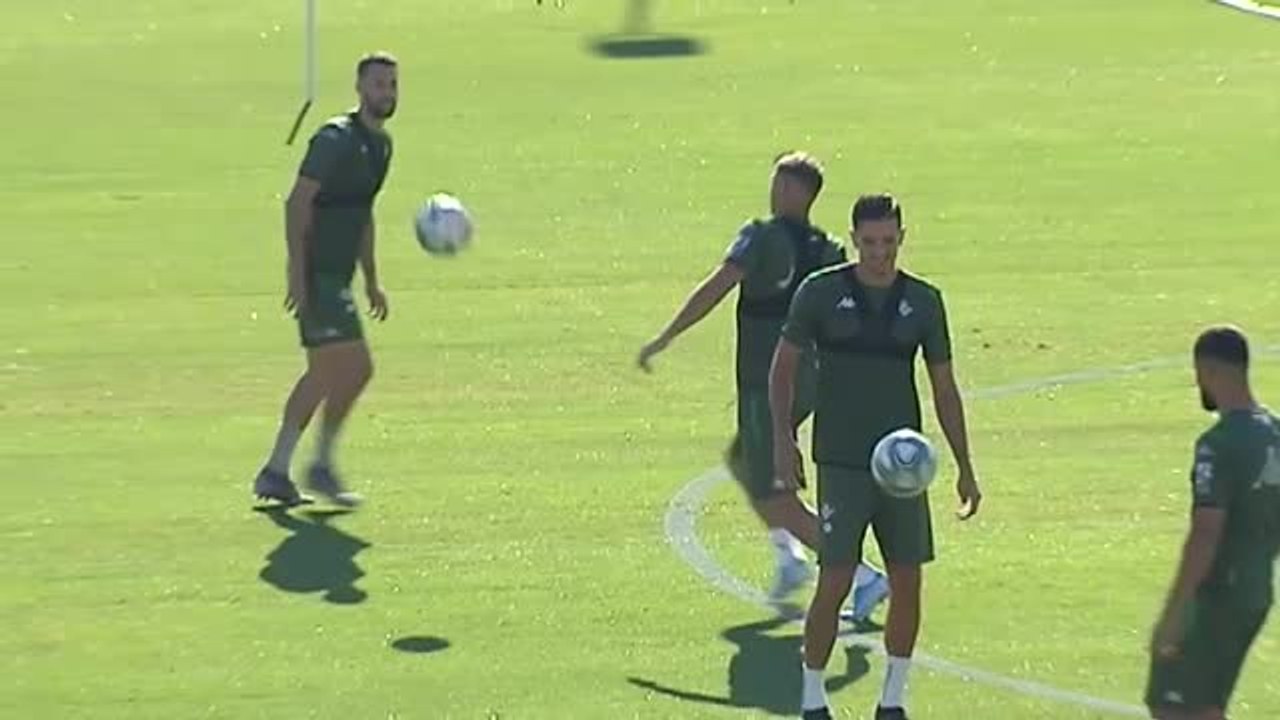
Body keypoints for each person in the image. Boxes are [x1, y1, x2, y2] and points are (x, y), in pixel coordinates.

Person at [637, 152, 889, 618]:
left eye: (780, 183)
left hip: (765, 382)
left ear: (797, 192)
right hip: (808, 378)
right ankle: (788, 555)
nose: (773, 191)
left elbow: (719, 285)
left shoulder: (760, 238)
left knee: (777, 494)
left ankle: (863, 575)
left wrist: (667, 336)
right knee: (741, 460)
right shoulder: (828, 249)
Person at [770, 193, 982, 720]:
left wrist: (964, 465)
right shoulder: (820, 294)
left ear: (902, 239)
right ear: (854, 239)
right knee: (836, 576)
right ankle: (813, 696)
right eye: (870, 242)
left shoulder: (925, 302)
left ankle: (892, 700)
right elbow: (783, 368)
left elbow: (945, 388)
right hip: (841, 462)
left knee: (908, 580)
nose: (879, 253)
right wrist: (783, 437)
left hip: (902, 470)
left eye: (888, 242)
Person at [253, 52, 399, 508]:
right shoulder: (335, 139)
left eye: (392, 85)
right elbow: (296, 204)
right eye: (378, 84)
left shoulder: (382, 146)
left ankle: (279, 470)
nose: (387, 93)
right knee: (352, 367)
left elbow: (364, 213)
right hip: (318, 275)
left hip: (340, 276)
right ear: (359, 88)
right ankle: (315, 465)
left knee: (328, 373)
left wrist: (372, 280)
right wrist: (296, 274)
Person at [1145, 326, 1280, 720]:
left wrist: (1174, 614)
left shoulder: (1217, 445)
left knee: (1171, 708)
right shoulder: (1276, 435)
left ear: (1208, 370)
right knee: (1206, 708)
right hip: (1255, 592)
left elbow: (1205, 534)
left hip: (1217, 596)